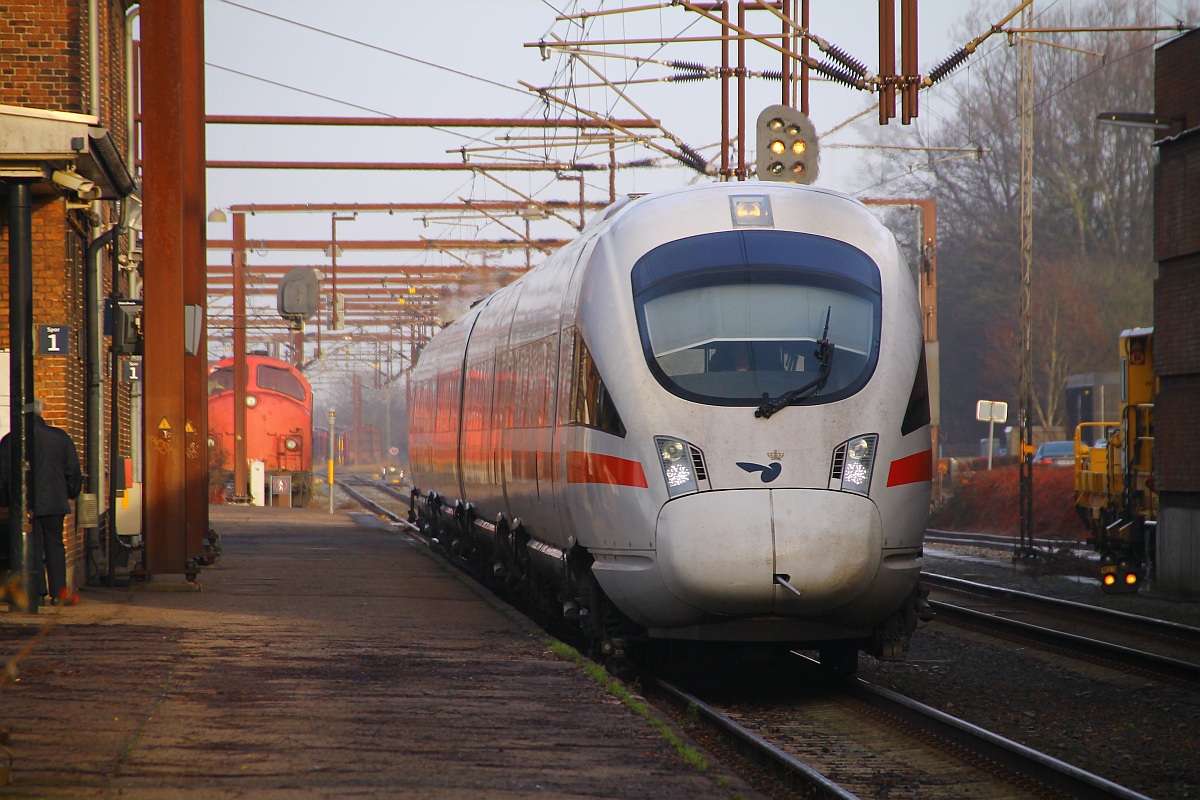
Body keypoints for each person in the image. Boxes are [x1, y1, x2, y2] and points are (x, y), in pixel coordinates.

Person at [0, 398, 84, 606]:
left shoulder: (10, 440)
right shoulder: (60, 438)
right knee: (55, 544)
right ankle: (58, 592)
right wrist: (71, 492)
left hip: (24, 503)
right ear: (41, 412)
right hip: (54, 501)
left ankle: (35, 592)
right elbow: (72, 470)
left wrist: (5, 500)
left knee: (31, 545)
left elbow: (2, 474)